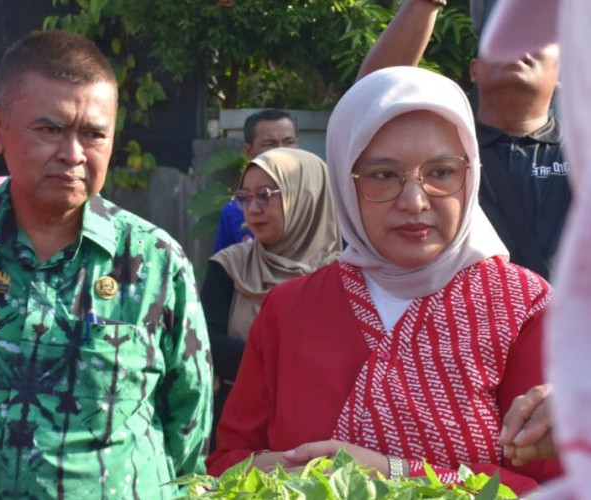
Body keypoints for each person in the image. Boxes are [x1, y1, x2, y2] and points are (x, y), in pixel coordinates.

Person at [206, 66, 562, 495]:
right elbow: (226, 463)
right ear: (343, 180)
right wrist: (285, 473)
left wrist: (392, 474)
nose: (414, 202)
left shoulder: (521, 308)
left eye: (441, 173)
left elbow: (557, 486)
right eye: (383, 175)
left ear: (471, 174)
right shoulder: (290, 308)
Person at [0, 30, 212, 500]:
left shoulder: (155, 263)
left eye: (93, 134)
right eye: (50, 129)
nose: (73, 154)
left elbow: (188, 428)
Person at [356, 0, 570, 281]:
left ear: (561, 74)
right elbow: (370, 100)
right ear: (474, 69)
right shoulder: (441, 145)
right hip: (462, 319)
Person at [481, 1, 591, 498]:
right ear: (474, 70)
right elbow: (376, 90)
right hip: (482, 360)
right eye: (505, 40)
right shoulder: (448, 151)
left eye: (539, 40)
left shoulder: (581, 148)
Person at [202, 147, 342, 449]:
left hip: (323, 433)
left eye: (265, 195)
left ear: (306, 197)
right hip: (240, 426)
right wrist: (286, 363)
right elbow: (205, 341)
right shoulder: (230, 266)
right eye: (245, 197)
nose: (252, 208)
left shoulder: (342, 277)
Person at [213, 109, 299, 253]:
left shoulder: (324, 205)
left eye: (288, 142)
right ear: (248, 151)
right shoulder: (233, 212)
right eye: (269, 143)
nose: (281, 150)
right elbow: (222, 270)